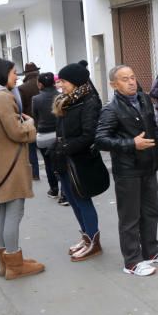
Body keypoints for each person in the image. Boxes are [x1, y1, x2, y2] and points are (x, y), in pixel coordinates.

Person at [95, 65, 158, 277]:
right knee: (130, 217)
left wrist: (157, 154)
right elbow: (101, 140)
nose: (131, 82)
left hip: (149, 166)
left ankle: (151, 251)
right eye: (124, 79)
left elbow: (153, 129)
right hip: (127, 170)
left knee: (150, 212)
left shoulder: (143, 99)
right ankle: (131, 261)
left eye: (132, 77)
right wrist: (131, 144)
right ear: (114, 84)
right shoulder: (111, 109)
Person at [0, 58, 44, 280]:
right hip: (10, 165)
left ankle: (6, 262)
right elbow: (17, 132)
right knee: (14, 212)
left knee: (5, 212)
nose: (17, 76)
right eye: (14, 72)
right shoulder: (2, 98)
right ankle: (14, 263)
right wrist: (30, 125)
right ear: (1, 74)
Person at [51, 63, 105, 261]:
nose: (60, 85)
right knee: (73, 201)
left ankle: (94, 241)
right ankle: (85, 237)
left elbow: (89, 135)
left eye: (63, 81)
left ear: (74, 81)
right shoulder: (67, 100)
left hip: (80, 161)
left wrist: (65, 148)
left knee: (82, 200)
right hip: (64, 160)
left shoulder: (89, 101)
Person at [32, 72, 61, 199]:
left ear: (40, 84)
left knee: (48, 163)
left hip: (43, 135)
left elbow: (36, 117)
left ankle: (54, 190)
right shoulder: (61, 97)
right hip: (59, 134)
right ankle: (65, 194)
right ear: (54, 83)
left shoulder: (36, 99)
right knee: (62, 163)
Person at [18, 62, 42, 181]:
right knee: (48, 151)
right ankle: (55, 174)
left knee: (31, 150)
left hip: (30, 122)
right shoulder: (42, 84)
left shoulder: (22, 88)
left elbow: (19, 107)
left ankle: (35, 174)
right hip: (45, 122)